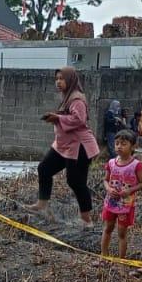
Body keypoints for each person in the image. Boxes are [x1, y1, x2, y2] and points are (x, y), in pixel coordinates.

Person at [25, 67, 98, 225]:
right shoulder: (67, 96)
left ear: (70, 80)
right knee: (44, 169)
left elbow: (79, 120)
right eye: (56, 78)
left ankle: (86, 219)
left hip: (79, 147)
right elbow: (68, 116)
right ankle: (42, 204)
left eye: (61, 79)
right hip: (64, 145)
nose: (58, 82)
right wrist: (56, 117)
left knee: (76, 181)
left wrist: (57, 118)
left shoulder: (77, 99)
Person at [101, 131, 142, 257]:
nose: (119, 146)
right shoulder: (111, 163)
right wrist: (108, 189)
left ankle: (122, 260)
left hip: (125, 205)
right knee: (108, 228)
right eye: (117, 143)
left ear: (132, 147)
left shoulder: (136, 165)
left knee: (122, 232)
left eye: (123, 144)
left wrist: (129, 191)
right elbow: (105, 180)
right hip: (110, 202)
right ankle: (103, 255)